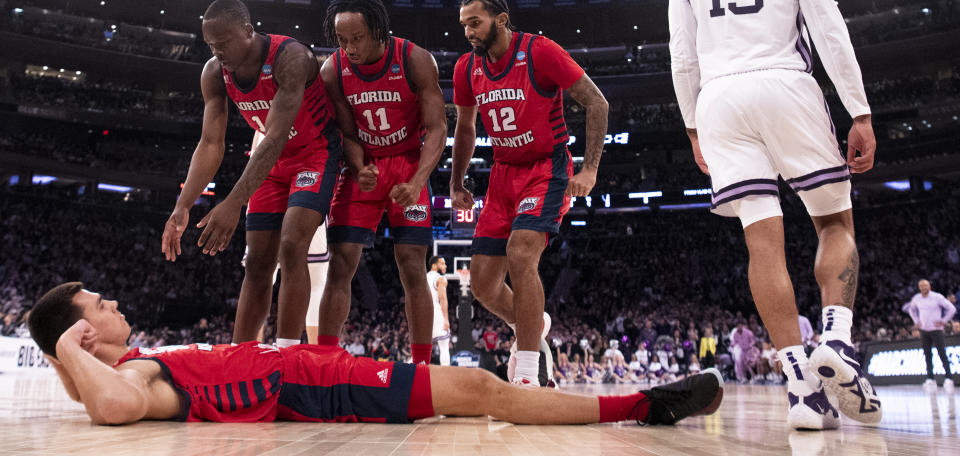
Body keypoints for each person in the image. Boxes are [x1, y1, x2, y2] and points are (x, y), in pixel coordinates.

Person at [668, 0, 881, 430]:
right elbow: (830, 33)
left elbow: (683, 59)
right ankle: (836, 339)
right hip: (784, 83)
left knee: (762, 244)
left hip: (719, 100)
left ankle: (801, 389)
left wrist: (693, 128)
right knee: (834, 222)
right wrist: (858, 110)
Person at [26, 282, 723, 427]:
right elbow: (111, 406)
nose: (114, 304)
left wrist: (65, 357)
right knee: (482, 389)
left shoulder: (125, 363)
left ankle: (638, 404)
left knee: (474, 394)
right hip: (315, 386)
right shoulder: (132, 375)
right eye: (100, 306)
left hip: (314, 373)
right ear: (83, 334)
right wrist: (62, 345)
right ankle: (642, 406)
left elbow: (84, 392)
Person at [450, 0, 609, 387]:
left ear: (501, 20)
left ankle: (527, 372)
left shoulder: (540, 51)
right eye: (464, 24)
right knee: (483, 285)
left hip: (545, 168)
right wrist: (456, 180)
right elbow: (466, 127)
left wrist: (589, 169)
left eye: (475, 22)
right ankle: (532, 325)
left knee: (521, 254)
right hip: (502, 174)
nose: (468, 32)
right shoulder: (466, 68)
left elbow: (597, 103)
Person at [162, 0, 340, 347]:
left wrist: (233, 203)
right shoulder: (215, 72)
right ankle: (241, 356)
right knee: (257, 262)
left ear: (248, 31)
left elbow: (274, 138)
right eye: (211, 45)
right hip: (270, 163)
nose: (217, 52)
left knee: (292, 245)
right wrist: (183, 205)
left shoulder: (291, 58)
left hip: (314, 153)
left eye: (223, 43)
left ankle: (288, 352)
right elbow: (210, 143)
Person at [316, 0, 446, 366]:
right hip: (364, 167)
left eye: (357, 38)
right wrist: (359, 168)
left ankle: (421, 366)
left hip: (408, 164)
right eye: (342, 40)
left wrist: (418, 181)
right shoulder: (333, 71)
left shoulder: (415, 60)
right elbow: (347, 133)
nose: (350, 48)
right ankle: (325, 359)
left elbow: (437, 128)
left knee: (412, 265)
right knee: (340, 263)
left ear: (378, 30)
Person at [245, 130, 330, 345]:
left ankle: (250, 350)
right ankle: (313, 352)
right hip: (306, 178)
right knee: (315, 276)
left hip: (278, 178)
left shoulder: (260, 121)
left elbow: (254, 152)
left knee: (260, 273)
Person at [902, 279, 956, 392]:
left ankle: (949, 378)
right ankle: (930, 378)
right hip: (924, 330)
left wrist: (943, 321)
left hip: (936, 330)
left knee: (942, 354)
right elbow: (911, 310)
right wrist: (916, 320)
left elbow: (952, 309)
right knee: (927, 355)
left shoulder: (937, 297)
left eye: (926, 285)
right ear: (919, 288)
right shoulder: (917, 298)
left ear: (929, 286)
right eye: (922, 286)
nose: (924, 287)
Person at [426, 256, 452, 365]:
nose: (445, 266)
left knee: (420, 350)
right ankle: (446, 373)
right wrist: (446, 319)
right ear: (434, 265)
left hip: (422, 315)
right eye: (442, 263)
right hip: (436, 314)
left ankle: (405, 372)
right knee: (444, 345)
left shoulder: (422, 278)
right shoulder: (440, 279)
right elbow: (443, 300)